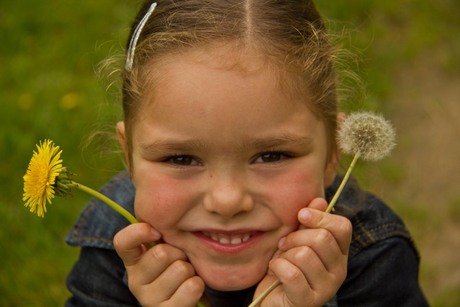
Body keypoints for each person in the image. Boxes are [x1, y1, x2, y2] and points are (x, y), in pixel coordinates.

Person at [65, 0, 428, 306]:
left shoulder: (373, 258)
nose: (227, 200)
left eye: (271, 156)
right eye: (181, 159)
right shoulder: (114, 247)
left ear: (334, 151)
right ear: (129, 156)